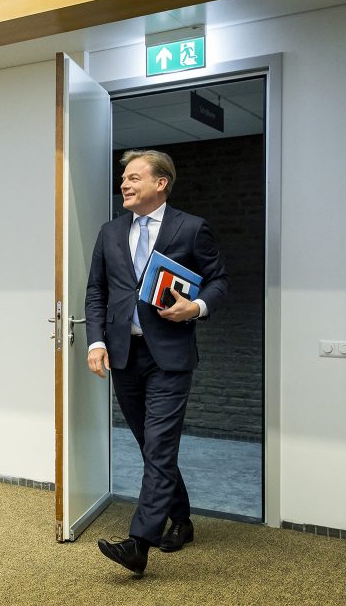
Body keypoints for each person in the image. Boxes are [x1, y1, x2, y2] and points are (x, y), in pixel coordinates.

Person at [85, 149, 228, 577]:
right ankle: (181, 519)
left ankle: (138, 543)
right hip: (124, 355)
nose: (124, 185)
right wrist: (96, 342)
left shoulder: (191, 228)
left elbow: (219, 280)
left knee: (160, 447)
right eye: (123, 179)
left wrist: (197, 307)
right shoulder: (110, 232)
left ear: (160, 183)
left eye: (133, 178)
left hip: (170, 356)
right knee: (153, 448)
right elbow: (96, 292)